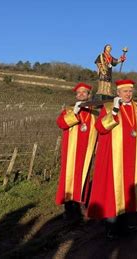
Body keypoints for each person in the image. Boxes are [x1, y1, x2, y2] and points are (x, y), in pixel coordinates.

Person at [87, 79, 137, 240]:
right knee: (113, 189)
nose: (128, 94)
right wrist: (115, 111)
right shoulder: (109, 107)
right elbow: (100, 128)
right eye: (125, 91)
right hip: (115, 156)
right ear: (118, 93)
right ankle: (111, 225)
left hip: (134, 156)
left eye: (130, 91)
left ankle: (128, 222)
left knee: (130, 189)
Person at [55, 82, 98, 220]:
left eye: (84, 92)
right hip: (71, 151)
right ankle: (68, 208)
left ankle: (81, 204)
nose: (81, 94)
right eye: (79, 93)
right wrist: (75, 112)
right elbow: (61, 123)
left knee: (84, 177)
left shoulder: (94, 112)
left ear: (88, 95)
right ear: (76, 95)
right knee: (68, 178)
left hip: (87, 152)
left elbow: (99, 130)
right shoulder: (69, 110)